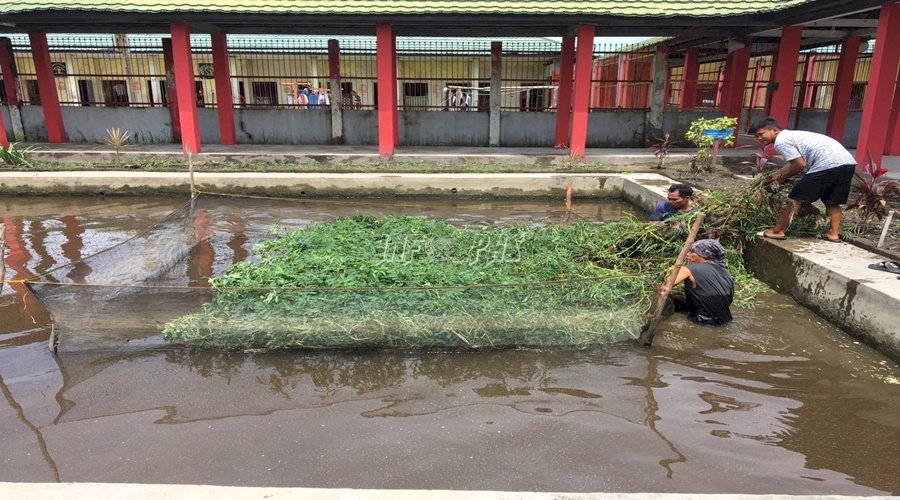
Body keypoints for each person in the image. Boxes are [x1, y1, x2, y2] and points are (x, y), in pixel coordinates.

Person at [748, 117, 857, 242]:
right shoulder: (792, 136)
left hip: (826, 164)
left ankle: (777, 231)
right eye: (756, 137)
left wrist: (781, 178)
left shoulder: (781, 141)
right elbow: (795, 162)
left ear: (774, 130)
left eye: (761, 134)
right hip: (847, 163)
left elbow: (799, 164)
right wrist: (776, 175)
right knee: (831, 201)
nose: (759, 139)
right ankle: (833, 234)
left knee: (795, 199)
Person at [662, 239, 734, 326]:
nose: (687, 255)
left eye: (692, 251)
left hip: (701, 324)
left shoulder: (688, 269)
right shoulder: (727, 274)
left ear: (702, 255)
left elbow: (666, 287)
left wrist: (673, 270)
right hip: (726, 322)